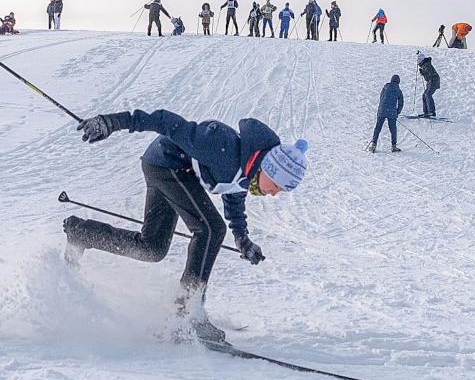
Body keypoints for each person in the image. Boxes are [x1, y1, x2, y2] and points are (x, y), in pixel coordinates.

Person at [63, 109, 310, 342]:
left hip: (168, 168)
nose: (275, 193)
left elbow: (233, 195)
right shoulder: (220, 146)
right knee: (211, 229)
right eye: (277, 186)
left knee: (152, 248)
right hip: (167, 164)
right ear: (269, 168)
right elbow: (166, 121)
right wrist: (112, 122)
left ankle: (82, 233)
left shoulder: (249, 170)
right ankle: (187, 311)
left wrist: (242, 239)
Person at [368, 75, 404, 153]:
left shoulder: (385, 87)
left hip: (382, 110)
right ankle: (393, 146)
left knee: (378, 128)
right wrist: (397, 112)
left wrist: (381, 110)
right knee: (393, 130)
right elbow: (401, 103)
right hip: (391, 112)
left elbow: (381, 98)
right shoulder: (398, 90)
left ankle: (373, 144)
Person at [416, 51, 440, 117]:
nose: (417, 61)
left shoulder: (426, 65)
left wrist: (423, 72)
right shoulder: (425, 65)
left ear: (421, 60)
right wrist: (423, 72)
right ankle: (426, 112)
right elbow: (427, 77)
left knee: (427, 94)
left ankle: (431, 112)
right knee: (424, 95)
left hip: (433, 81)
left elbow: (429, 75)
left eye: (418, 60)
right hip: (431, 81)